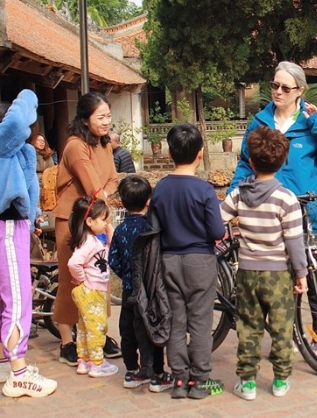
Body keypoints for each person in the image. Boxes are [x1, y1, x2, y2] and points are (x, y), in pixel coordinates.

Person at [227, 61, 317, 360]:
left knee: (313, 275)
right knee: (281, 279)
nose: (278, 92)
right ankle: (290, 334)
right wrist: (234, 193)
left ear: (300, 90)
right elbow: (245, 163)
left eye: (285, 87)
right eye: (274, 85)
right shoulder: (260, 121)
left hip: (309, 210)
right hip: (269, 214)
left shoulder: (313, 120)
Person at [221, 126, 308, 401]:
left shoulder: (239, 194)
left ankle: (247, 383)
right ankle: (280, 380)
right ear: (283, 162)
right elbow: (294, 243)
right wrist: (301, 274)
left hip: (247, 272)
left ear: (251, 161)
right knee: (282, 327)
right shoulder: (286, 199)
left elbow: (218, 219)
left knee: (248, 326)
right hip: (278, 275)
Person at [149, 123, 225, 400]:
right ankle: (200, 380)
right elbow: (217, 231)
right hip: (200, 262)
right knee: (201, 323)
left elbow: (153, 226)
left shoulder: (160, 189)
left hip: (169, 260)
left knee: (176, 322)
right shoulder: (204, 190)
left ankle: (180, 380)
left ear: (170, 153)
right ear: (200, 154)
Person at [53, 92, 121, 367]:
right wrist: (102, 195)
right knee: (72, 279)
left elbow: (113, 180)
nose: (106, 122)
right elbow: (94, 187)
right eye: (100, 117)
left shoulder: (104, 144)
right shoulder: (75, 146)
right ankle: (67, 341)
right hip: (73, 220)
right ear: (84, 119)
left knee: (99, 277)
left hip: (98, 218)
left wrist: (104, 197)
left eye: (108, 116)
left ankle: (97, 333)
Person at [0, 92, 58, 397]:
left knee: (9, 298)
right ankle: (18, 374)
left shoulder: (14, 152)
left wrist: (33, 215)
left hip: (16, 224)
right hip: (6, 226)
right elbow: (19, 120)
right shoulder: (4, 142)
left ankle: (7, 363)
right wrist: (27, 95)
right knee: (19, 299)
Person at [108, 175, 173, 392]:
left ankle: (131, 370)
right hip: (151, 290)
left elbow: (113, 259)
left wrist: (127, 274)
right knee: (151, 328)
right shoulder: (152, 228)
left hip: (130, 290)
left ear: (123, 203)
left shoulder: (120, 230)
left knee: (128, 331)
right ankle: (157, 372)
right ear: (148, 201)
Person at [66, 195, 119, 378]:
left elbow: (110, 247)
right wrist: (82, 280)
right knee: (97, 327)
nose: (106, 224)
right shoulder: (89, 242)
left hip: (91, 290)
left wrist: (109, 227)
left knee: (84, 327)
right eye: (103, 220)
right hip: (93, 290)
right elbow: (74, 263)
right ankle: (97, 363)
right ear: (89, 221)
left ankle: (84, 360)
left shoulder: (92, 240)